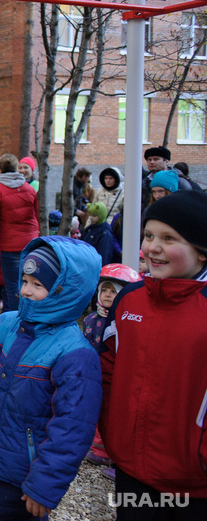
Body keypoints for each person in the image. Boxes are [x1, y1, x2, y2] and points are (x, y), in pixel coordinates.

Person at [0, 237, 103, 520]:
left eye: (38, 285)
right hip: (4, 461)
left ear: (65, 291)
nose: (25, 291)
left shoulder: (75, 353)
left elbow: (72, 428)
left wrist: (44, 486)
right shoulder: (5, 325)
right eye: (24, 280)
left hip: (29, 470)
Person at [99, 190, 207, 519]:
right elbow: (106, 369)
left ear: (202, 252)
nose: (152, 247)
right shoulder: (129, 299)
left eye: (169, 238)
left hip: (194, 481)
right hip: (130, 468)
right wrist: (109, 427)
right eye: (148, 235)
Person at [81, 264, 140, 480]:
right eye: (104, 290)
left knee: (114, 410)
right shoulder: (90, 320)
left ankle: (110, 452)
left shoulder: (122, 321)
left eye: (113, 291)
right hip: (93, 372)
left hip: (114, 376)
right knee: (95, 406)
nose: (107, 295)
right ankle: (97, 447)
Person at [0, 154, 39, 312]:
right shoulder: (29, 189)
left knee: (13, 285)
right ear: (16, 168)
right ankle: (26, 316)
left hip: (10, 245)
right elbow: (36, 215)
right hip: (30, 243)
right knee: (30, 283)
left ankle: (16, 320)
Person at [141, 146, 190, 212]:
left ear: (166, 161)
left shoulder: (179, 181)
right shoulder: (143, 181)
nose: (151, 162)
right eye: (149, 159)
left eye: (156, 159)